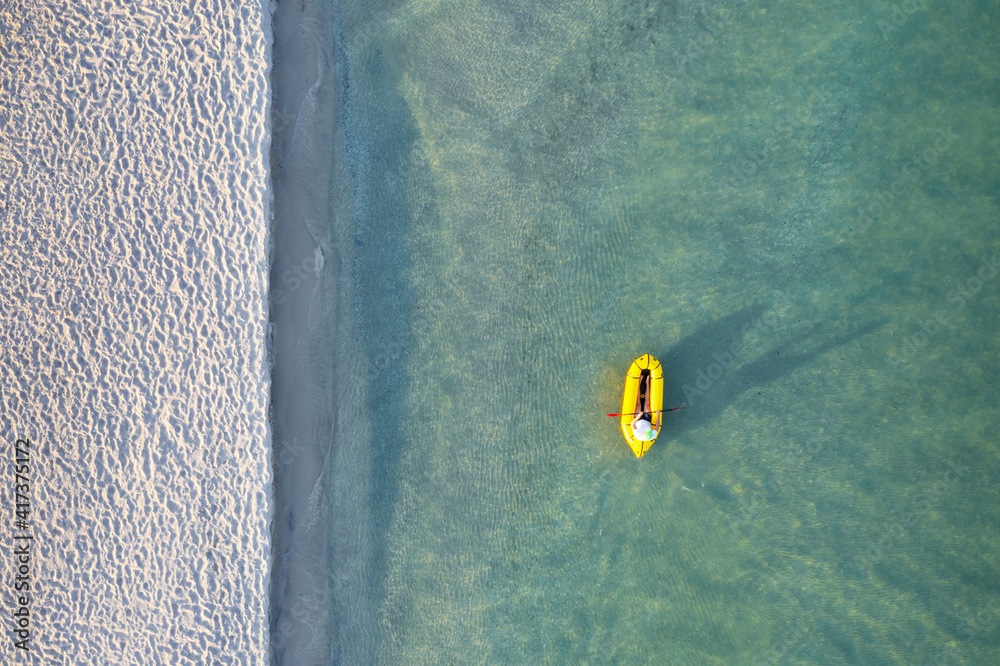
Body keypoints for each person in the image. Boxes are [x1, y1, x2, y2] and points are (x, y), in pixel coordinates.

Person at [630, 374, 657, 441]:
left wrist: (639, 416)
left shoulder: (638, 435)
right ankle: (647, 383)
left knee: (638, 403)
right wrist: (658, 415)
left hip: (638, 420)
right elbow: (657, 426)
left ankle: (639, 382)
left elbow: (632, 424)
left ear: (643, 434)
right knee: (647, 403)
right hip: (647, 419)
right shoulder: (652, 435)